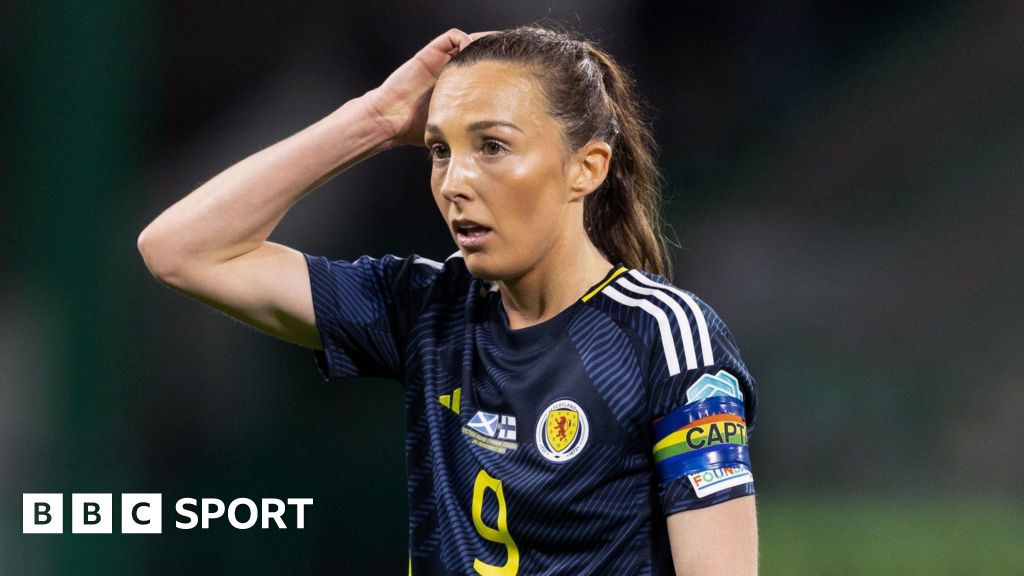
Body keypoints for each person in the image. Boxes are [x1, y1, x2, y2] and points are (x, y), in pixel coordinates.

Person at [138, 26, 759, 575]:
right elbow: (182, 249)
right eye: (440, 150)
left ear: (587, 168)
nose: (455, 182)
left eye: (492, 146)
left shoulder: (665, 339)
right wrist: (375, 119)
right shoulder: (427, 308)